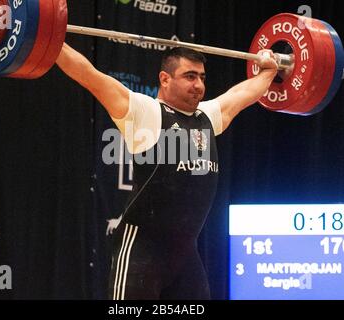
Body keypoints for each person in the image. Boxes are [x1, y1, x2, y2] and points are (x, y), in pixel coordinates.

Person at [56, 43, 278, 300]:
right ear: (165, 78)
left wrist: (269, 72)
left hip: (185, 257)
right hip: (141, 253)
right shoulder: (146, 113)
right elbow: (89, 75)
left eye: (202, 77)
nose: (198, 85)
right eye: (189, 76)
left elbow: (244, 93)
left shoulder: (207, 116)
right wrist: (52, 41)